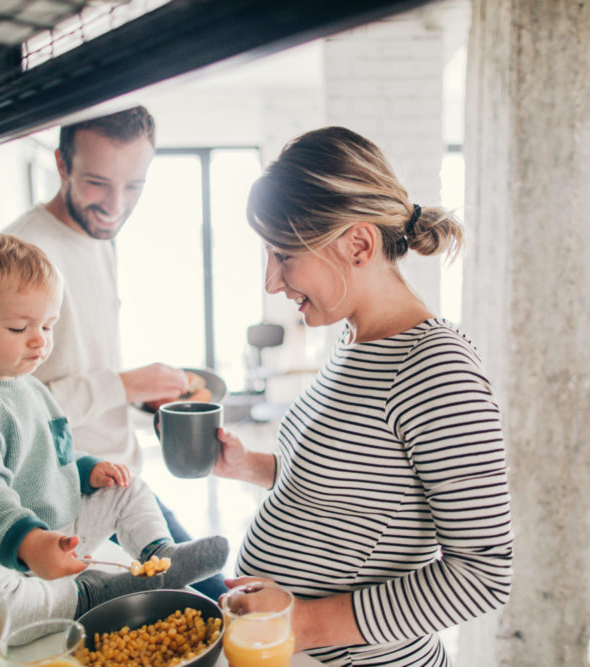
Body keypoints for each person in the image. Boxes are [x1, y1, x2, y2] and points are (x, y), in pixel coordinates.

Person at [213, 127, 514, 666]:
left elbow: (483, 573)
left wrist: (300, 623)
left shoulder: (437, 368)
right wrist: (250, 466)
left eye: (283, 255)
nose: (271, 282)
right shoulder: (354, 340)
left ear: (358, 244)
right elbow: (352, 492)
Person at [0, 105, 227, 598]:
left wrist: (140, 399)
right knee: (202, 605)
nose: (116, 204)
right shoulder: (21, 254)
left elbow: (71, 367)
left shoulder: (96, 238)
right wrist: (122, 384)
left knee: (212, 599)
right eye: (98, 182)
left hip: (112, 477)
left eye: (133, 185)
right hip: (58, 504)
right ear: (61, 165)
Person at [0, 234, 228, 628]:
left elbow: (52, 453)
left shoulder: (27, 386)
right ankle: (88, 594)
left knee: (127, 487)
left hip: (53, 530)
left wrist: (87, 470)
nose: (39, 342)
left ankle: (158, 555)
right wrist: (28, 543)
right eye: (18, 328)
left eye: (48, 326)